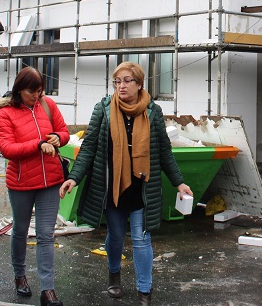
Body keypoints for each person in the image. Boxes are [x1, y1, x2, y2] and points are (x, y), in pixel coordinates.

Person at [59, 62, 192, 305]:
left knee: (142, 239)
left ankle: (144, 289)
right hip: (113, 187)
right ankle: (114, 274)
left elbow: (164, 150)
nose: (121, 86)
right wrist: (73, 177)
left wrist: (179, 183)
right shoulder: (103, 109)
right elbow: (88, 148)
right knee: (116, 236)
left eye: (127, 80)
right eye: (117, 81)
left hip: (142, 188)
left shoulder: (153, 111)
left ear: (140, 84)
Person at [0, 67, 69, 306]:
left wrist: (58, 137)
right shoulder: (5, 114)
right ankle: (19, 275)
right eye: (30, 91)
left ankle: (48, 290)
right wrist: (37, 144)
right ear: (18, 89)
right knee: (20, 230)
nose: (36, 96)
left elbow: (65, 132)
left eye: (39, 91)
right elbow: (7, 149)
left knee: (46, 235)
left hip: (51, 180)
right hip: (21, 183)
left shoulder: (48, 105)